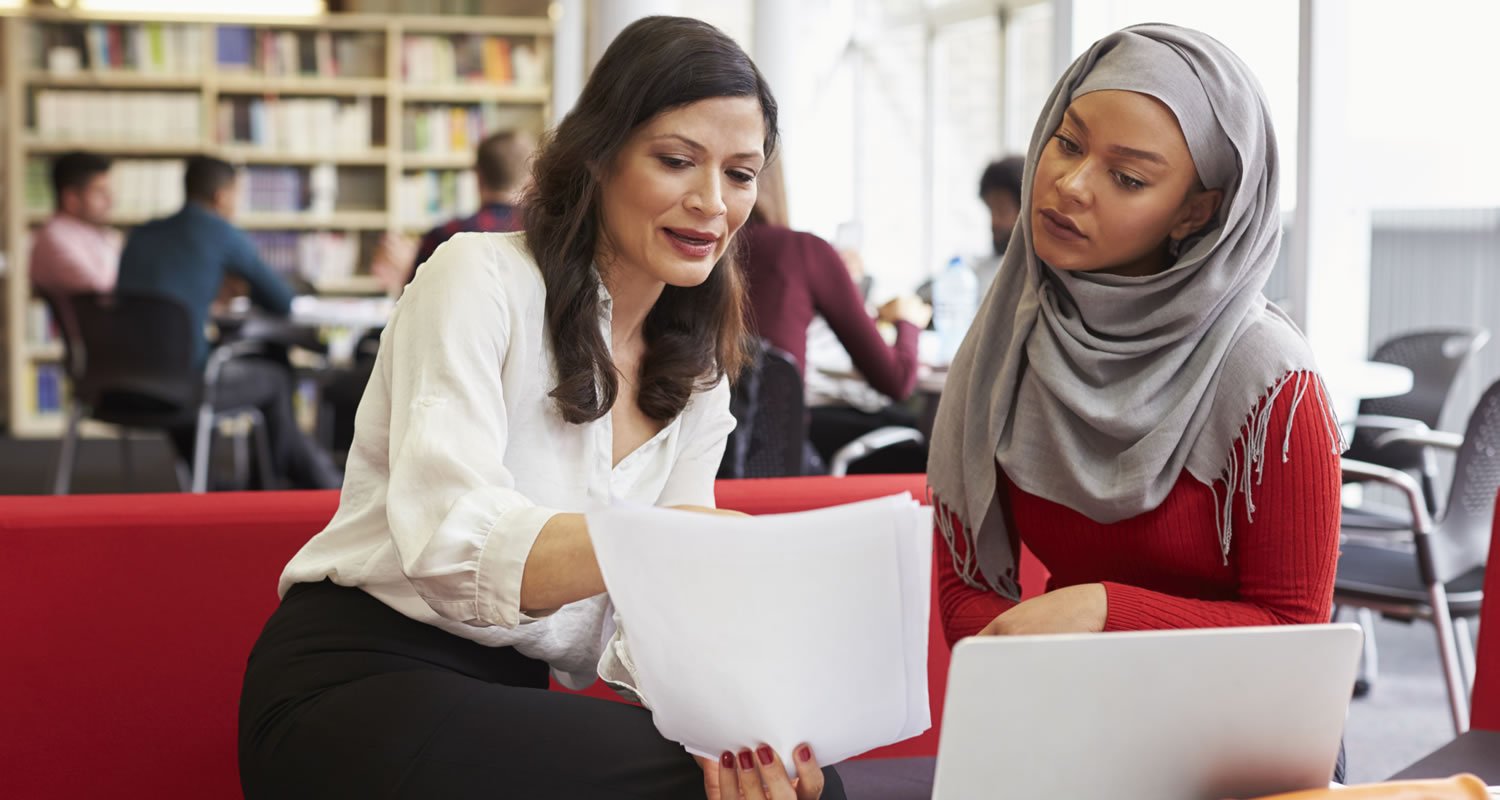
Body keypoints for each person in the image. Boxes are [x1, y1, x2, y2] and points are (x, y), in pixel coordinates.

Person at [239, 17, 841, 800]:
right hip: (355, 680)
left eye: (741, 173)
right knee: (683, 784)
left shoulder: (696, 377)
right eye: (676, 161)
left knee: (800, 782)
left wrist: (720, 721)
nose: (711, 203)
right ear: (597, 155)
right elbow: (449, 543)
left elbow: (656, 622)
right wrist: (665, 541)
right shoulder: (478, 278)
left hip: (498, 699)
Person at [926, 24, 1346, 780]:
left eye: (1127, 178)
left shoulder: (1268, 381)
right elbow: (965, 597)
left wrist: (1100, 613)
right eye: (1067, 143)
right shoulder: (1008, 338)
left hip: (1239, 752)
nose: (1071, 185)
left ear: (1195, 211)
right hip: (1065, 724)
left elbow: (1294, 636)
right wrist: (1065, 665)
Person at [116, 155, 341, 490]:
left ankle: (225, 482)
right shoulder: (219, 233)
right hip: (184, 385)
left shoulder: (141, 235)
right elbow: (282, 301)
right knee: (275, 376)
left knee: (208, 361)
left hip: (122, 381)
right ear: (222, 196)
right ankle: (301, 477)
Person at [738, 158, 931, 473]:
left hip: (708, 466)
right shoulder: (803, 251)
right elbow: (897, 380)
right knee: (911, 436)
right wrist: (908, 321)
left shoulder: (693, 257)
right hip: (780, 471)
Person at [371, 129, 537, 294]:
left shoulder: (443, 237)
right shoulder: (541, 235)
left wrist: (407, 271)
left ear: (477, 178)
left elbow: (416, 304)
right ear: (532, 179)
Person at [30, 151, 122, 299]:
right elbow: (99, 287)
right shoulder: (54, 238)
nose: (110, 201)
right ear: (71, 198)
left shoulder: (96, 234)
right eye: (100, 191)